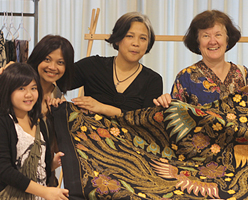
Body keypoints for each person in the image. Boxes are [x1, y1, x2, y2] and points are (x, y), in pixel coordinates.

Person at [67, 12, 163, 117]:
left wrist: (102, 108)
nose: (136, 43)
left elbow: (145, 121)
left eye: (143, 38)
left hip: (131, 134)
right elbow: (57, 81)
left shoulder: (153, 80)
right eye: (130, 36)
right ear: (117, 39)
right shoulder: (93, 65)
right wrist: (55, 98)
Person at [154, 10, 248, 107]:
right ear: (198, 42)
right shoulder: (185, 77)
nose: (212, 41)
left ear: (227, 40)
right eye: (206, 36)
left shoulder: (242, 73)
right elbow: (174, 116)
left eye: (218, 35)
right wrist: (164, 102)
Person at [0, 63, 69, 200]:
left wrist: (52, 164)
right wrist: (45, 192)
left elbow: (36, 171)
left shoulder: (40, 122)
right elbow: (4, 170)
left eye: (33, 88)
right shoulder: (4, 122)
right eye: (21, 88)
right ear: (7, 90)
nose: (29, 94)